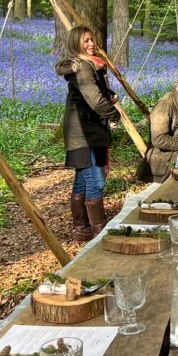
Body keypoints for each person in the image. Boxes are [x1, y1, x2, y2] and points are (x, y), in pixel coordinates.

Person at [55, 26, 120, 241]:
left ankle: (81, 228)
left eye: (92, 40)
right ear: (76, 43)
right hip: (84, 131)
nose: (91, 44)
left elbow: (94, 92)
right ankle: (98, 231)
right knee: (95, 179)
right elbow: (93, 99)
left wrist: (109, 96)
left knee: (83, 179)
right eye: (86, 41)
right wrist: (113, 115)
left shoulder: (89, 65)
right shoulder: (82, 66)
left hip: (89, 130)